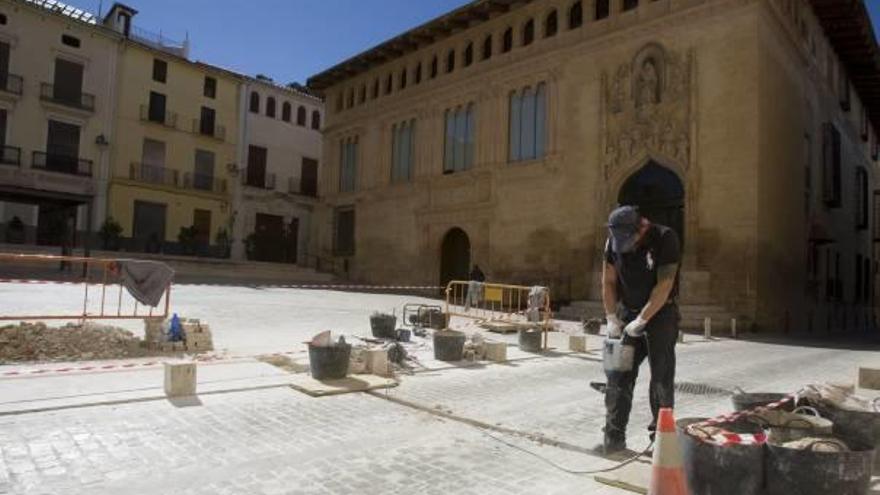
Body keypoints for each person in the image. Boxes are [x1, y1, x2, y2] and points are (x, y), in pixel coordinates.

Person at [601, 205, 681, 454]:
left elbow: (665, 284)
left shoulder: (665, 238)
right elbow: (608, 281)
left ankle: (662, 442)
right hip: (627, 312)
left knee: (661, 377)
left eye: (630, 240)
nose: (625, 246)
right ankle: (614, 438)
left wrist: (644, 319)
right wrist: (612, 317)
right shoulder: (612, 243)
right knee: (618, 375)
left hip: (661, 313)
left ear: (642, 228)